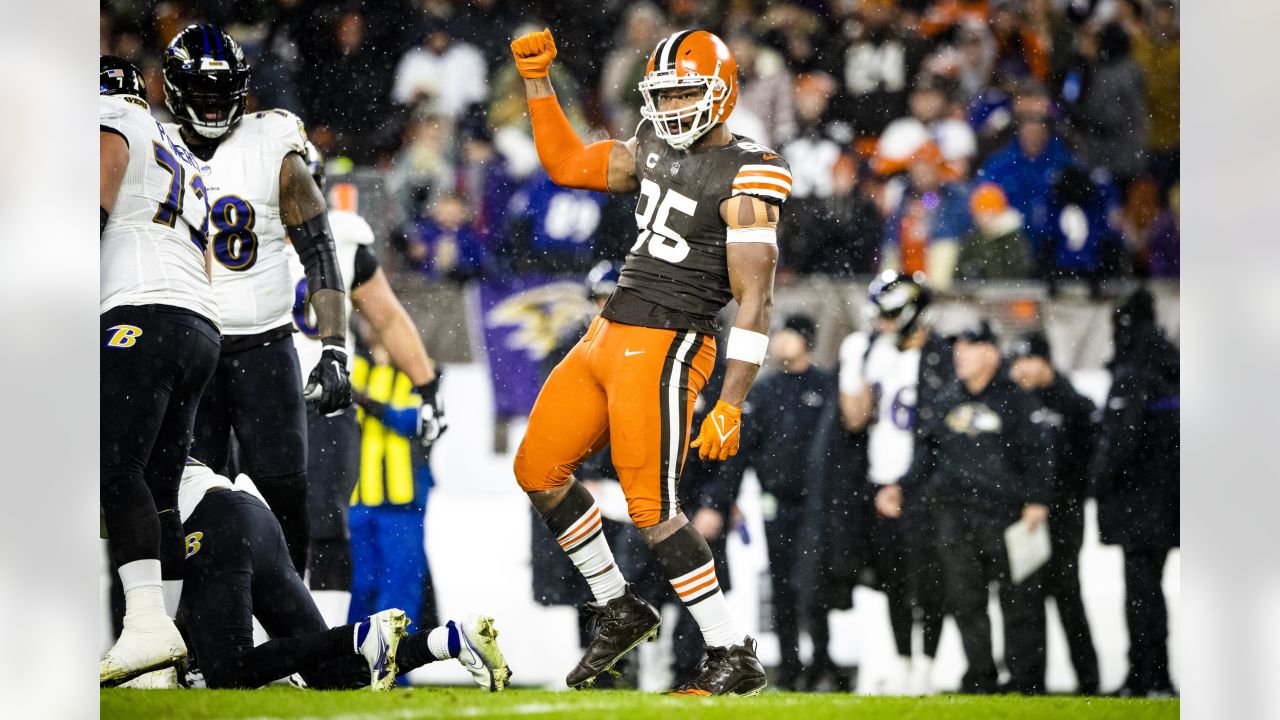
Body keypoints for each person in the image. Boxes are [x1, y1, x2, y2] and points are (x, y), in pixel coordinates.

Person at [509, 27, 790, 695]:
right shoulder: (655, 140)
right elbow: (569, 164)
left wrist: (730, 401)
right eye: (664, 93)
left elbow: (756, 301)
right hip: (609, 328)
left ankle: (731, 652)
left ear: (721, 92)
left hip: (671, 338)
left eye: (687, 90)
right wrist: (538, 84)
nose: (673, 106)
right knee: (538, 469)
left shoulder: (751, 171)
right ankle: (619, 607)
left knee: (651, 506)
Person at [162, 24, 352, 575]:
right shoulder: (146, 146)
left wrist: (335, 349)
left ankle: (290, 639)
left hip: (263, 347)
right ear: (175, 92)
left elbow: (319, 250)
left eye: (226, 96)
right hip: (189, 351)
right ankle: (198, 641)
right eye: (203, 95)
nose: (216, 109)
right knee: (188, 501)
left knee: (286, 498)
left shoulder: (273, 145)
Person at [173, 461, 509, 691]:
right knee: (330, 676)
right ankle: (453, 640)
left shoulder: (127, 447)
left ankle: (361, 636)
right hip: (252, 514)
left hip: (209, 524)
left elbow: (151, 549)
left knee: (227, 672)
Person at [99, 55, 221, 686]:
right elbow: (204, 259)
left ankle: (145, 625)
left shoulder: (112, 118)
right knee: (161, 488)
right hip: (199, 321)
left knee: (115, 467)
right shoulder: (184, 155)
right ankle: (161, 660)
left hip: (140, 309)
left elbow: (99, 189)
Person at [288, 144, 445, 627]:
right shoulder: (337, 234)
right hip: (294, 408)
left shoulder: (394, 370)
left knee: (380, 581)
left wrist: (416, 392)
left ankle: (339, 653)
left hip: (390, 493)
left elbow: (415, 422)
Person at [885, 320, 1053, 694]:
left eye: (970, 345)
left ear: (992, 353)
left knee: (1020, 603)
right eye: (957, 344)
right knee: (965, 601)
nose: (959, 352)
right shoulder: (946, 400)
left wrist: (1038, 500)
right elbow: (926, 455)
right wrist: (901, 486)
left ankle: (1026, 682)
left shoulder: (1017, 400)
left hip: (1008, 516)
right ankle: (980, 678)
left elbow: (1040, 454)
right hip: (954, 515)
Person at [839, 271, 950, 695]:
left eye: (890, 314)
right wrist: (854, 366)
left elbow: (939, 432)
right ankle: (904, 663)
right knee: (894, 582)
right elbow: (854, 419)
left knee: (931, 581)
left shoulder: (940, 354)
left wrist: (909, 482)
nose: (882, 323)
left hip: (925, 486)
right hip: (879, 481)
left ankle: (928, 664)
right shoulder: (875, 351)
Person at [720, 315, 835, 690]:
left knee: (816, 586)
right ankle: (790, 666)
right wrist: (730, 499)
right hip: (777, 505)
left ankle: (822, 662)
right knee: (783, 588)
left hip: (820, 506)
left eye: (787, 335)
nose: (779, 341)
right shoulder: (765, 390)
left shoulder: (827, 386)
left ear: (806, 341)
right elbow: (743, 452)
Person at [1089, 288, 1179, 697]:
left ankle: (1148, 677)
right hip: (1168, 501)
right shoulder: (1171, 367)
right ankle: (1150, 675)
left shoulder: (1134, 375)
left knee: (1142, 593)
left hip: (1140, 505)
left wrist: (1095, 482)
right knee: (1149, 591)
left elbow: (1120, 445)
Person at [1009, 331, 1101, 694]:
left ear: (1045, 360)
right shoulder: (1015, 404)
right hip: (1026, 516)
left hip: (1064, 513)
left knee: (1067, 596)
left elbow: (1089, 459)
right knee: (1026, 599)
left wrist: (1065, 494)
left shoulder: (1074, 404)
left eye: (1026, 360)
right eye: (1015, 362)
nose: (1020, 370)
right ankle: (1030, 681)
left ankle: (1088, 680)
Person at [956, 182, 1032, 282]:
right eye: (979, 215)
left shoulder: (1012, 238)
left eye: (987, 213)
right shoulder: (973, 239)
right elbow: (959, 273)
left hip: (1009, 293)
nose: (982, 219)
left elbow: (1022, 272)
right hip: (981, 294)